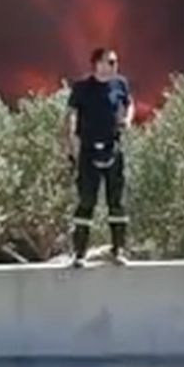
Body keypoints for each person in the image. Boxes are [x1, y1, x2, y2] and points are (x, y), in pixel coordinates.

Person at [62, 47, 134, 268]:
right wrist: (71, 145)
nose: (115, 66)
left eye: (115, 62)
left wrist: (128, 119)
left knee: (117, 201)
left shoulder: (120, 84)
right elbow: (70, 115)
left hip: (113, 148)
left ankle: (118, 249)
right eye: (110, 62)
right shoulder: (82, 88)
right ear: (98, 64)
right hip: (88, 151)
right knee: (86, 201)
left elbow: (129, 102)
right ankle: (80, 253)